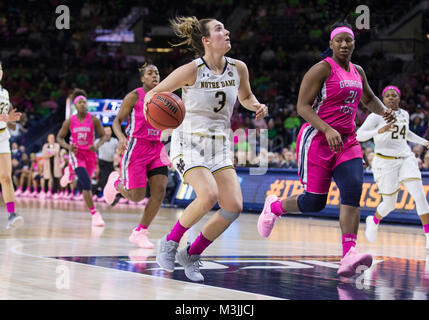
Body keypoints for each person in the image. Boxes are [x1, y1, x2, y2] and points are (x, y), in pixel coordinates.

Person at [256, 21, 396, 278]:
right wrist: (326, 129)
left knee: (354, 188)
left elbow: (369, 99)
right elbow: (302, 106)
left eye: (349, 40)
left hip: (347, 141)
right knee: (315, 202)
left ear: (354, 44)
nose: (344, 44)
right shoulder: (321, 69)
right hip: (318, 140)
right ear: (331, 44)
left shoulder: (358, 71)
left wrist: (383, 111)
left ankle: (348, 254)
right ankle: (274, 207)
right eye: (339, 40)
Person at [144, 16, 268, 282]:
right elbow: (153, 95)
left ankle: (192, 253)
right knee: (208, 195)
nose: (227, 32)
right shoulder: (191, 70)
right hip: (188, 141)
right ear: (206, 40)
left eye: (225, 27)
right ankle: (169, 242)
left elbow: (245, 96)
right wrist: (151, 111)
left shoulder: (239, 68)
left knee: (233, 207)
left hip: (219, 145)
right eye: (219, 29)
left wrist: (256, 104)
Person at [104, 63, 170, 249]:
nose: (154, 76)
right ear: (142, 79)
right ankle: (116, 182)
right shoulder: (134, 96)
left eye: (157, 72)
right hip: (136, 147)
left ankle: (140, 232)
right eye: (150, 73)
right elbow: (116, 121)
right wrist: (120, 137)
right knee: (136, 197)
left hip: (156, 146)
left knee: (159, 191)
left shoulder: (163, 97)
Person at [356, 85, 429, 249]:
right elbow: (359, 135)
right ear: (382, 99)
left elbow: (406, 133)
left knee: (419, 196)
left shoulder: (404, 114)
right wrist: (378, 130)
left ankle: (428, 236)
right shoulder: (376, 116)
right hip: (384, 162)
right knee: (389, 204)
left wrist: (424, 142)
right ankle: (373, 221)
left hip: (406, 158)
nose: (390, 98)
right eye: (387, 95)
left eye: (393, 95)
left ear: (399, 98)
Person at [56, 89, 107, 227]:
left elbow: (103, 136)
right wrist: (68, 146)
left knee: (86, 184)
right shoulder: (69, 121)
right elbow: (59, 137)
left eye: (85, 102)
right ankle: (95, 214)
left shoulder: (94, 119)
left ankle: (69, 172)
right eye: (80, 102)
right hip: (76, 154)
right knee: (86, 184)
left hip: (90, 155)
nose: (83, 104)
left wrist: (96, 145)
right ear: (75, 105)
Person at [0, 61, 24, 229]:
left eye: (0, 69)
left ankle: (11, 215)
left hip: (2, 136)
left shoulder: (5, 93)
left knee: (6, 177)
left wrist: (10, 119)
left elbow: (9, 121)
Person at [95, 126, 118, 200]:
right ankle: (101, 194)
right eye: (106, 131)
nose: (108, 133)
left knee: (111, 180)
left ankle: (112, 195)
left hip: (111, 163)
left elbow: (118, 151)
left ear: (111, 132)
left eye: (109, 131)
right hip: (102, 163)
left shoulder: (115, 141)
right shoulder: (98, 141)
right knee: (103, 179)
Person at [39, 134, 61, 199]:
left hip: (55, 164)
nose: (52, 139)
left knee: (55, 179)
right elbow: (44, 154)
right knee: (46, 178)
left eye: (53, 138)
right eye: (50, 138)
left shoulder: (57, 145)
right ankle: (45, 192)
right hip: (47, 164)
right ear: (48, 139)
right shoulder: (45, 146)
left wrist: (49, 152)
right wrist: (51, 153)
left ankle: (55, 193)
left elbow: (56, 152)